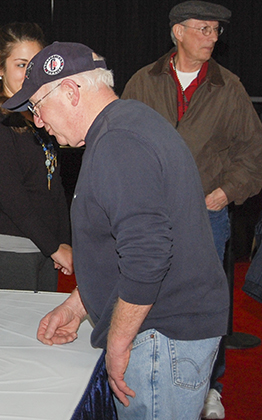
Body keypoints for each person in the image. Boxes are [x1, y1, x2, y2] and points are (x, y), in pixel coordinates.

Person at [3, 41, 229, 420]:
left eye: (38, 107)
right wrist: (79, 304)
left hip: (161, 336)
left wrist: (119, 342)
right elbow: (124, 245)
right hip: (170, 330)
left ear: (71, 92)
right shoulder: (128, 123)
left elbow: (147, 255)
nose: (39, 121)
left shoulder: (118, 142)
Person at [121, 2, 262, 417]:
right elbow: (118, 146)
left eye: (216, 30)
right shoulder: (143, 82)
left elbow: (253, 154)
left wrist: (225, 192)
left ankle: (208, 388)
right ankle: (145, 372)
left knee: (204, 306)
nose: (212, 37)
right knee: (146, 296)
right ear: (177, 32)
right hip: (149, 218)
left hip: (207, 219)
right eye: (204, 28)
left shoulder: (229, 87)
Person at [0, 22, 72, 291]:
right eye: (21, 64)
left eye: (35, 64)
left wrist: (63, 243)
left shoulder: (38, 116)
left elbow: (54, 186)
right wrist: (54, 247)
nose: (29, 73)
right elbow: (12, 198)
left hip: (44, 249)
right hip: (9, 253)